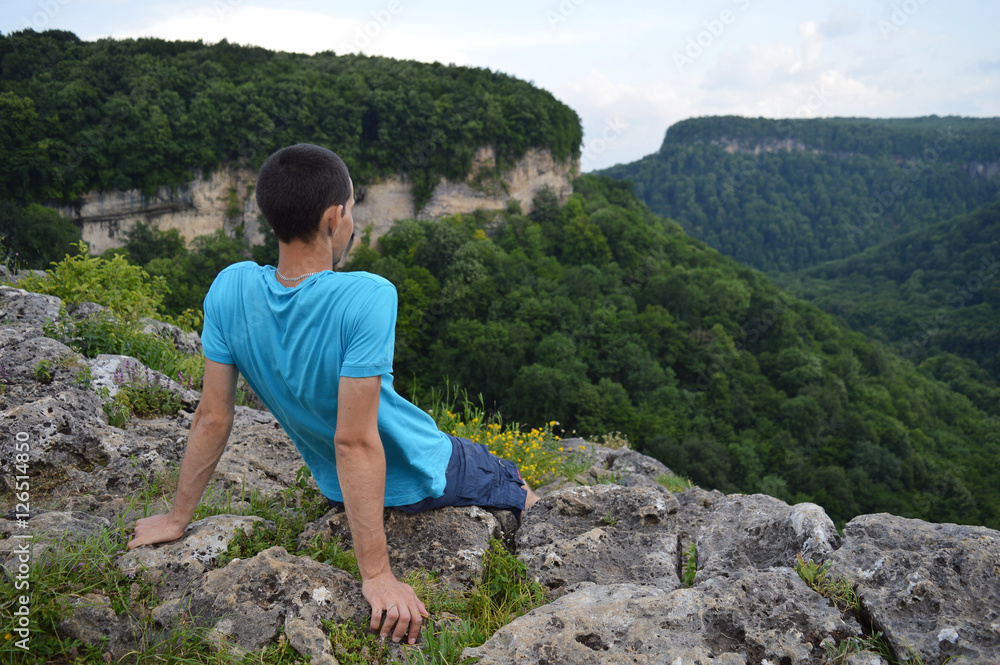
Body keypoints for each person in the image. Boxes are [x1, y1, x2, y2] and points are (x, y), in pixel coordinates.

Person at [126, 143, 538, 646]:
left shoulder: (229, 288)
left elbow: (212, 416)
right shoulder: (367, 295)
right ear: (333, 218)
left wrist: (177, 518)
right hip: (424, 471)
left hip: (338, 486)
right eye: (352, 211)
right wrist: (377, 575)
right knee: (510, 480)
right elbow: (355, 442)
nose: (353, 224)